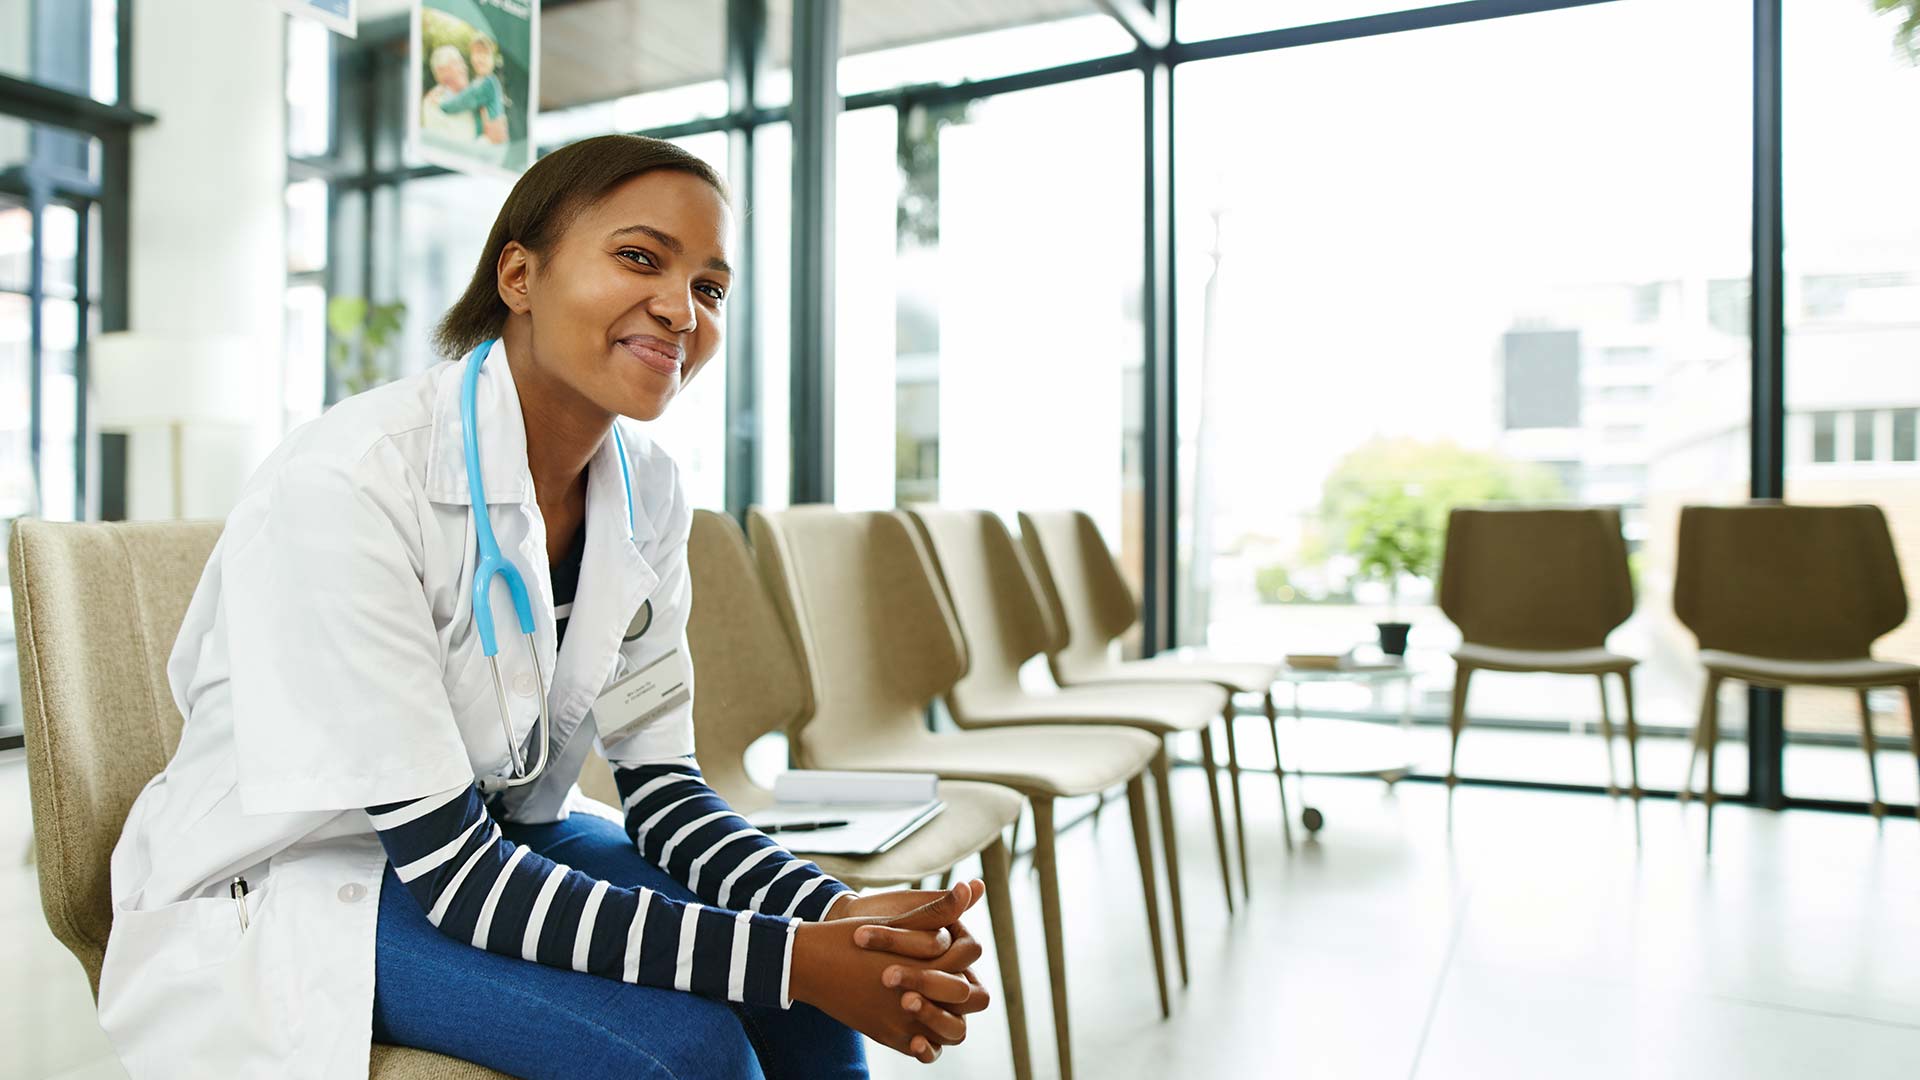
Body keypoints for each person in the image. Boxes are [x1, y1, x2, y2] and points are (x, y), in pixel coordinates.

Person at [95, 135, 991, 1080]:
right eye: (641, 258)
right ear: (518, 275)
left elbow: (667, 796)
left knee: (810, 1023)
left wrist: (822, 913)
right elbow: (453, 876)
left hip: (497, 839)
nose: (681, 310)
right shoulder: (353, 482)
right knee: (691, 1052)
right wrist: (785, 957)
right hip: (312, 875)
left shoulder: (646, 490)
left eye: (712, 288)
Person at [437, 33, 508, 146]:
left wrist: (440, 102)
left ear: (492, 60)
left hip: (490, 143)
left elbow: (456, 104)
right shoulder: (478, 82)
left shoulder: (487, 83)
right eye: (477, 52)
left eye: (486, 53)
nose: (481, 58)